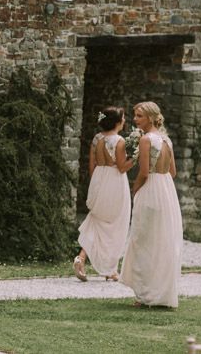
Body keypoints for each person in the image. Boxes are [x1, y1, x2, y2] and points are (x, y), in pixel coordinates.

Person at [120, 101, 183, 308]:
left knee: (144, 241)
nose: (135, 120)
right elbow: (173, 172)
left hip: (151, 190)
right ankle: (160, 293)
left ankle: (145, 295)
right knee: (162, 241)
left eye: (139, 116)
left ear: (149, 118)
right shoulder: (166, 140)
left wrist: (135, 189)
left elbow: (144, 172)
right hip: (166, 191)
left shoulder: (146, 140)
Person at [74, 106, 133, 282]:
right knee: (115, 225)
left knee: (96, 220)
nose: (124, 121)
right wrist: (135, 158)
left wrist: (96, 185)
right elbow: (122, 167)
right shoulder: (119, 141)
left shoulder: (96, 139)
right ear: (117, 122)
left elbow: (91, 166)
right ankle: (110, 270)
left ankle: (81, 258)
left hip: (99, 180)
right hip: (115, 182)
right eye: (123, 118)